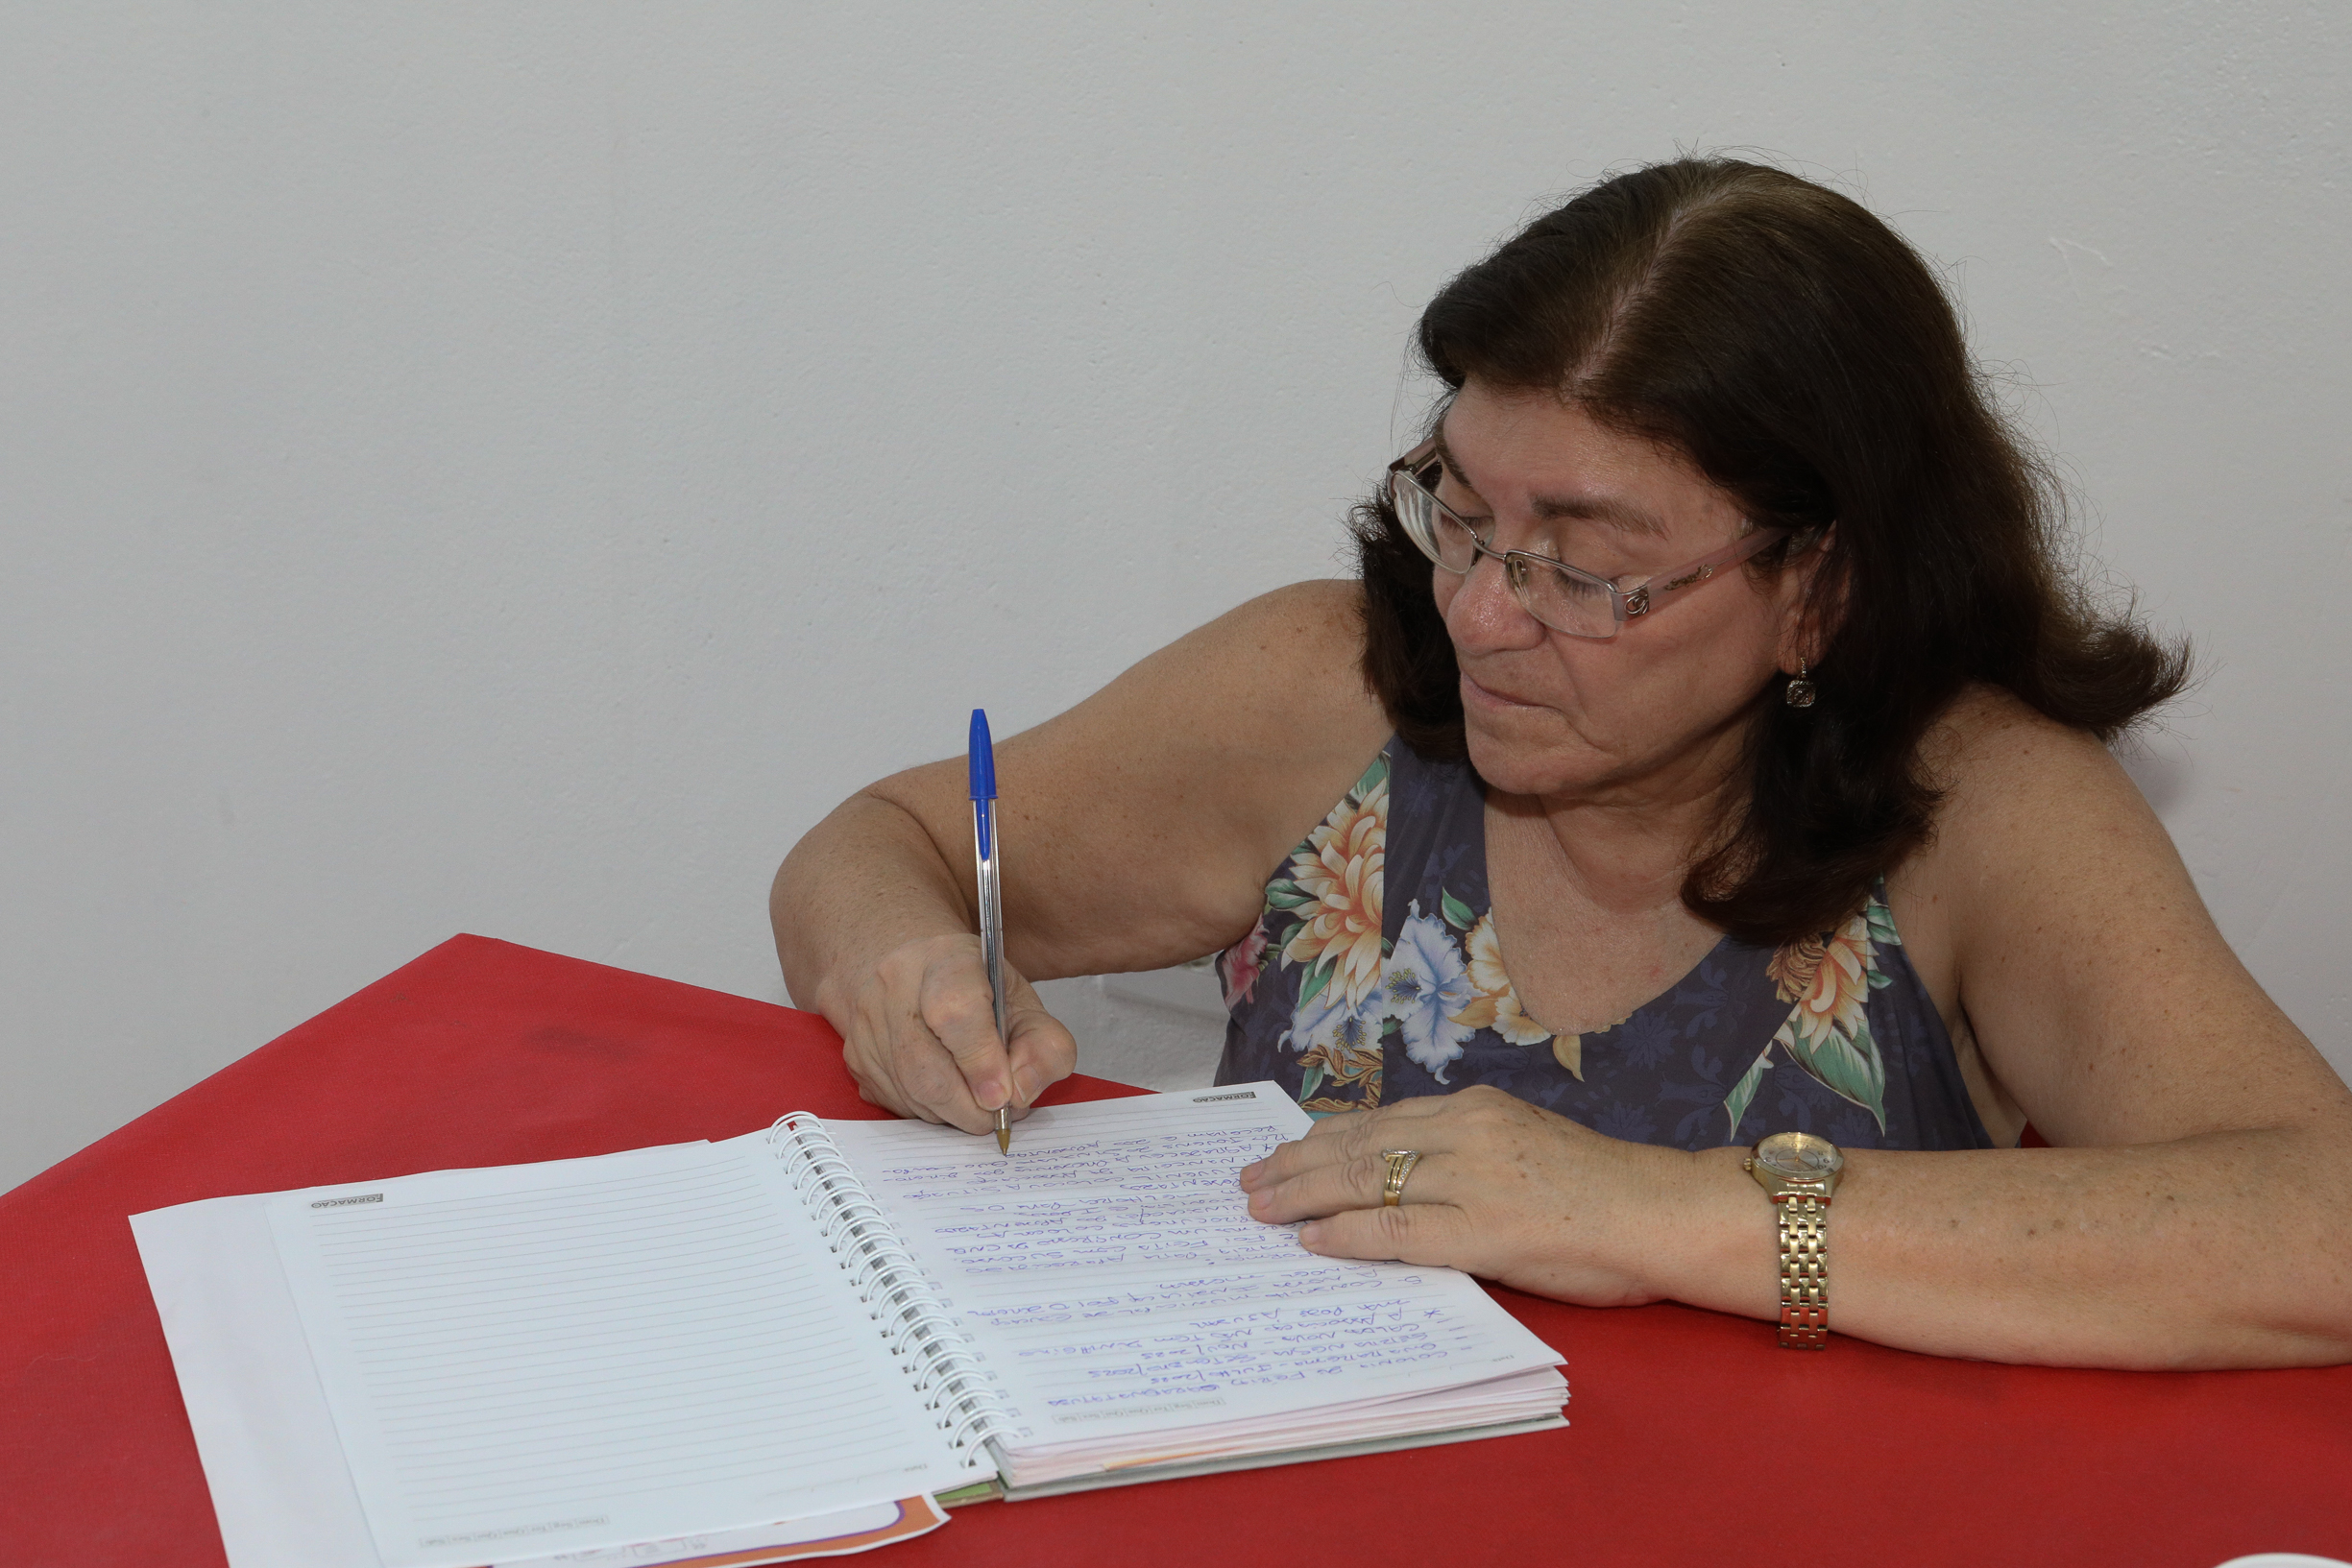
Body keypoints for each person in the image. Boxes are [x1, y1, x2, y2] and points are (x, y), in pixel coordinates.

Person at [772, 157, 2352, 1369]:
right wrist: (900, 965)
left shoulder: (1978, 804)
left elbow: (2319, 1228)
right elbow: (879, 840)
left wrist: (1647, 1211)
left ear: (1819, 587)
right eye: (1460, 511)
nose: (1477, 611)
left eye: (1586, 566)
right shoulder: (1328, 690)